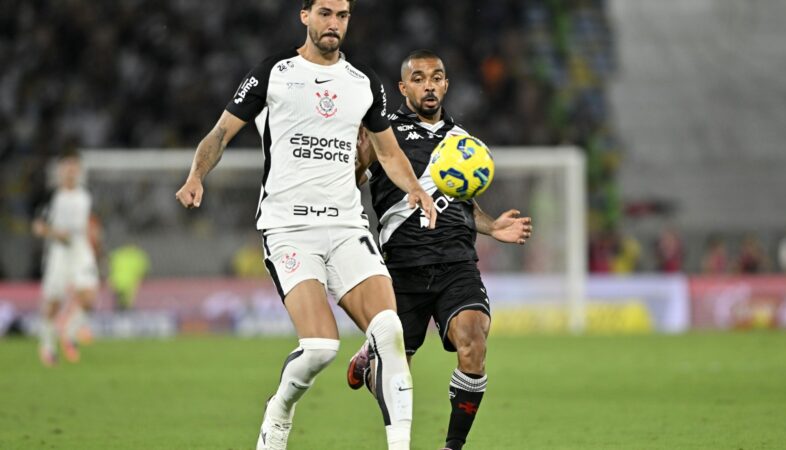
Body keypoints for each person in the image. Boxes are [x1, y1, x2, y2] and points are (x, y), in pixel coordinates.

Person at [174, 2, 437, 449]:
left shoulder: (363, 82)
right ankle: (278, 410)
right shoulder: (273, 72)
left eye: (343, 15)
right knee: (320, 348)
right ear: (305, 16)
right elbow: (220, 133)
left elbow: (388, 152)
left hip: (347, 227)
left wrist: (415, 188)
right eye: (325, 13)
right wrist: (197, 175)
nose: (334, 23)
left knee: (389, 331)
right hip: (289, 229)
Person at [346, 49, 532, 450]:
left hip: (455, 263)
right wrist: (359, 161)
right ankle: (374, 359)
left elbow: (462, 204)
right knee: (395, 372)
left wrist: (491, 226)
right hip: (402, 268)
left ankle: (452, 446)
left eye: (436, 77)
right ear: (403, 87)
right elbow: (352, 183)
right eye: (418, 78)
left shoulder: (464, 142)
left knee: (474, 339)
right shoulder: (382, 132)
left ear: (446, 84)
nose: (428, 85)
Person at [32, 151, 99, 366]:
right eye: (67, 167)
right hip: (59, 252)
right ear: (60, 171)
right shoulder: (50, 196)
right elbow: (38, 227)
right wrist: (54, 233)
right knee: (53, 303)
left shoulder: (85, 195)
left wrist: (95, 241)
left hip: (80, 249)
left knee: (88, 298)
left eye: (74, 167)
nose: (71, 171)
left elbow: (90, 223)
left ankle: (69, 333)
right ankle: (47, 347)